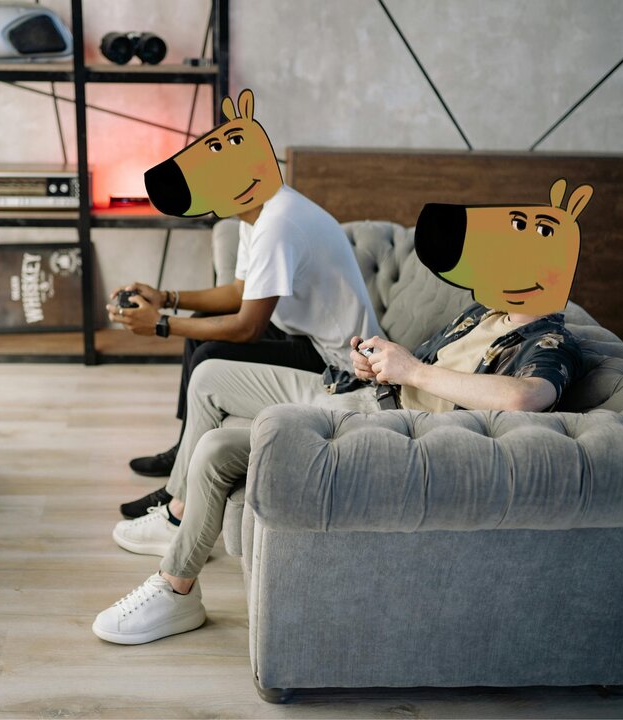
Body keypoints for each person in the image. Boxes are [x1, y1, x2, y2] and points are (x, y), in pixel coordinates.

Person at [92, 179, 595, 645]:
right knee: (210, 377)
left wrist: (413, 372)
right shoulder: (486, 313)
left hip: (384, 427)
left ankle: (175, 589)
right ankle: (177, 525)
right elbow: (424, 365)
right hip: (358, 391)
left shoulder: (550, 341)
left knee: (218, 447)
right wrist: (383, 362)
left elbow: (526, 396)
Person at [110, 89, 379, 519]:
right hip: (300, 334)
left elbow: (247, 327)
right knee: (201, 321)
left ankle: (178, 490)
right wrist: (167, 298)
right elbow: (238, 292)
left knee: (211, 354)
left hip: (336, 361)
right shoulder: (254, 209)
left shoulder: (278, 222)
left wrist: (160, 324)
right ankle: (184, 445)